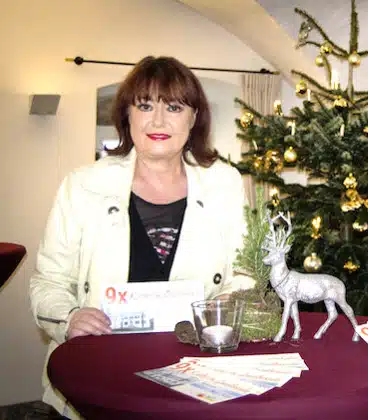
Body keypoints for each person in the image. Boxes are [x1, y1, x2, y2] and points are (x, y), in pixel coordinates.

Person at [30, 56, 253, 417]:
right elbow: (48, 281)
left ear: (194, 117)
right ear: (127, 115)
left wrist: (219, 316)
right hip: (102, 371)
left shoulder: (224, 183)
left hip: (196, 371)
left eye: (174, 107)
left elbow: (245, 272)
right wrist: (69, 316)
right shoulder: (82, 185)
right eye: (145, 105)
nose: (159, 121)